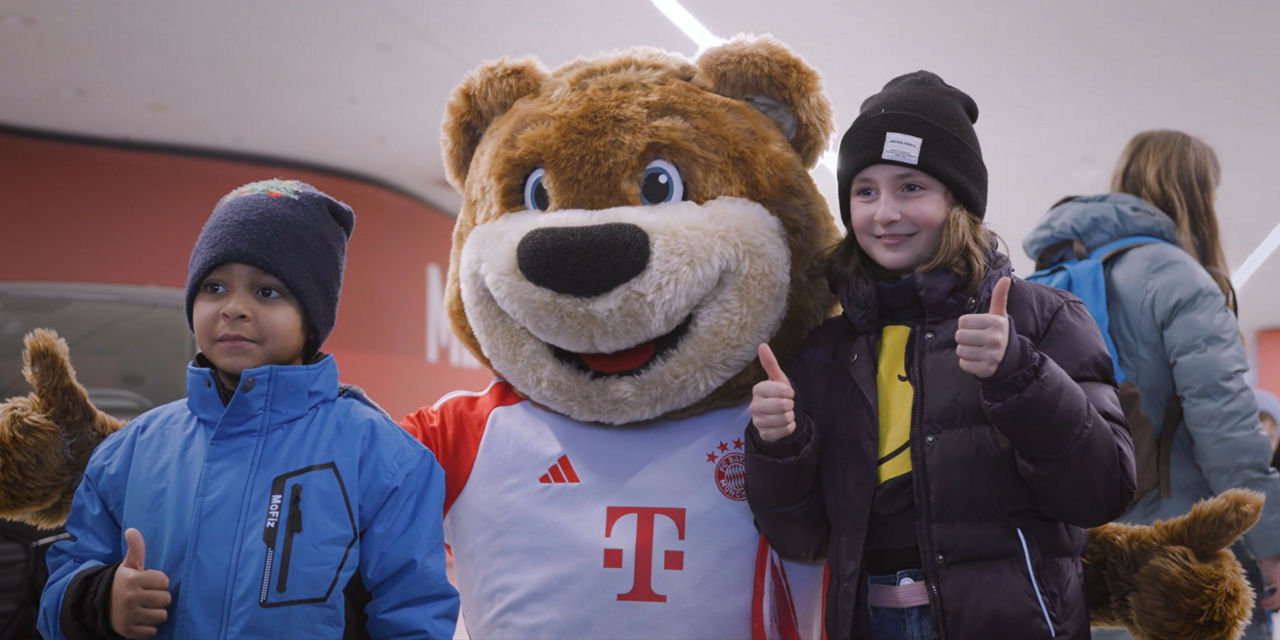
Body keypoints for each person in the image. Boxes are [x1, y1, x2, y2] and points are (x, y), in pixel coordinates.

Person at [744, 70, 1136, 640]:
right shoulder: (827, 350)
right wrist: (780, 446)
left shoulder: (1042, 318)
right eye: (865, 191)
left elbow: (1101, 492)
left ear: (958, 200)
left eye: (911, 187)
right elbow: (800, 539)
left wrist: (1019, 374)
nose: (884, 213)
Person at [37, 179, 459, 639]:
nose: (233, 308)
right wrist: (102, 601)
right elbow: (60, 585)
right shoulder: (130, 452)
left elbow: (414, 614)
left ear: (312, 316)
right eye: (214, 287)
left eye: (267, 291)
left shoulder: (383, 458)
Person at [1023, 130, 1280, 640]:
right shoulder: (1176, 276)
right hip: (1181, 555)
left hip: (1088, 554)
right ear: (1196, 195)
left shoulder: (1053, 280)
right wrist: (1271, 543)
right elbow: (1226, 431)